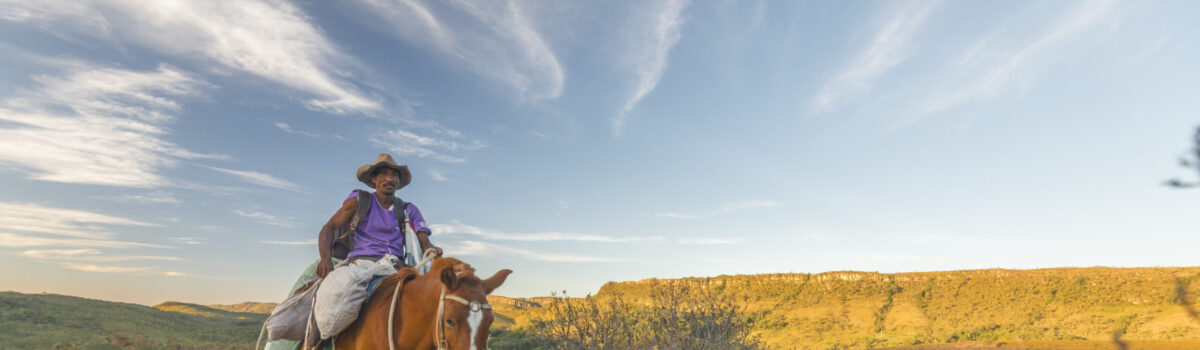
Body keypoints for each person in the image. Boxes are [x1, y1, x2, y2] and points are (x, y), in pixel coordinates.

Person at [317, 153, 442, 277]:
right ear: (373, 178)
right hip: (361, 263)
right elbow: (328, 227)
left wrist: (432, 250)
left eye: (394, 175)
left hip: (396, 266)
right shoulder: (359, 201)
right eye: (383, 174)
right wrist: (325, 259)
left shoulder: (408, 209)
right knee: (335, 293)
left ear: (398, 181)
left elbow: (425, 244)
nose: (389, 179)